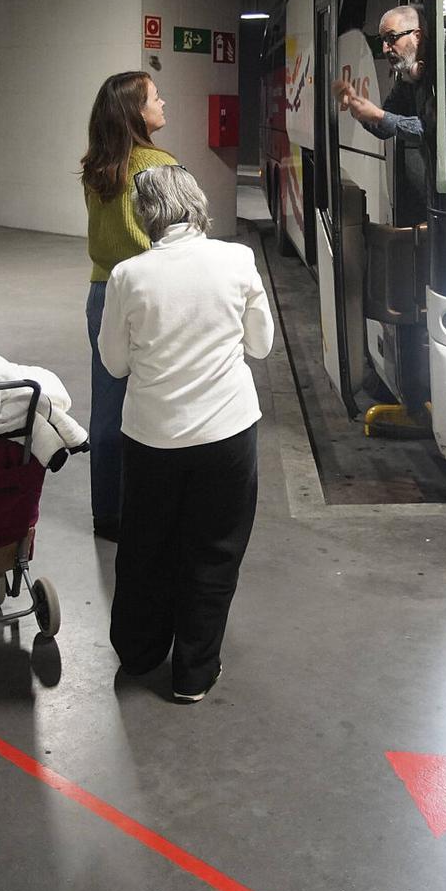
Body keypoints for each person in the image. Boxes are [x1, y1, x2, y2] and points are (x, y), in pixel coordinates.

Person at [99, 165, 274, 702]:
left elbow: (114, 363)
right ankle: (194, 673)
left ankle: (140, 652)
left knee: (145, 548)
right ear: (196, 204)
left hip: (152, 438)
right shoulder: (237, 260)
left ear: (144, 215)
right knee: (214, 551)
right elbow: (261, 345)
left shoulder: (128, 276)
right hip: (227, 433)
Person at [81, 70, 176, 541]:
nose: (164, 102)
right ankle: (152, 507)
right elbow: (182, 234)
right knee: (157, 403)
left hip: (104, 293)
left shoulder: (98, 164)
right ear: (136, 111)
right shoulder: (158, 165)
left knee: (108, 404)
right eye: (156, 97)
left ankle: (108, 514)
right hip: (154, 293)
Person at [333, 3, 446, 168]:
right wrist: (359, 108)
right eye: (383, 40)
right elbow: (385, 128)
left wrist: (378, 115)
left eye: (391, 38)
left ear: (417, 36)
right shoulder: (409, 76)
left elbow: (428, 130)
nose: (386, 48)